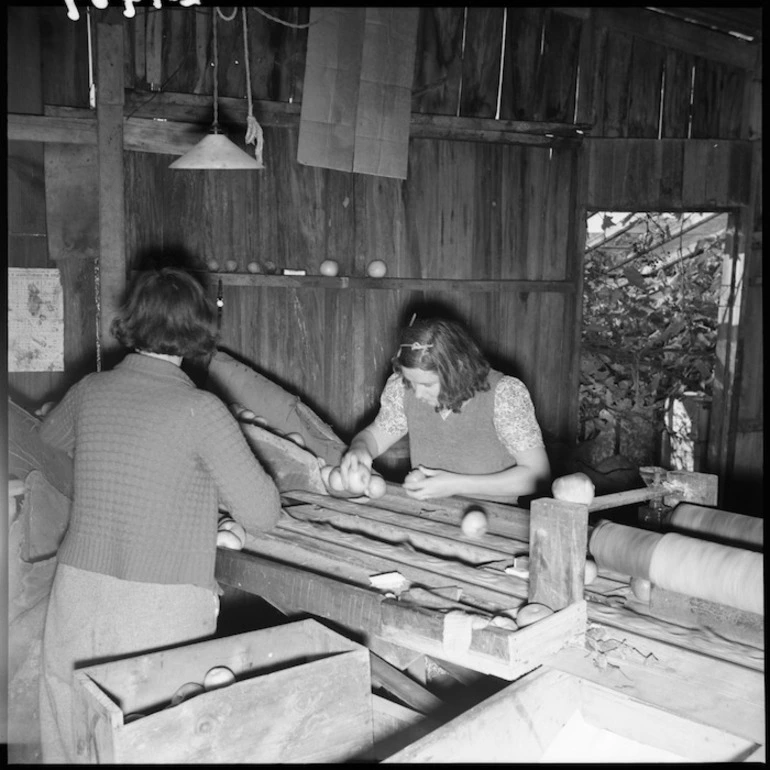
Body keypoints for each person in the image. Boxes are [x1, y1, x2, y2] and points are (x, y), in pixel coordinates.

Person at [37, 267, 281, 763]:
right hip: (160, 600)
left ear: (132, 321)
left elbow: (48, 442)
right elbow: (262, 514)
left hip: (78, 587)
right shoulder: (202, 409)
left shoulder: (90, 390)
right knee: (154, 734)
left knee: (68, 719)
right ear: (197, 330)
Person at [340, 316, 551, 504]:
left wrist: (457, 485)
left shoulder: (505, 394)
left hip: (494, 521)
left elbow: (537, 475)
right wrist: (360, 449)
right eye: (410, 382)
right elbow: (374, 437)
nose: (418, 394)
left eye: (428, 385)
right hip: (430, 515)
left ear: (458, 368)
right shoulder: (402, 387)